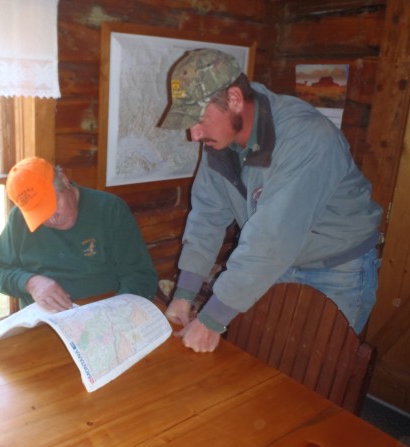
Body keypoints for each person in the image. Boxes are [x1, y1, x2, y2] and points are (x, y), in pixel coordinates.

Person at [159, 48, 382, 353]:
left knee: (317, 374)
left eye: (199, 119)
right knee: (263, 359)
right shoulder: (221, 138)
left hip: (336, 266)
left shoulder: (306, 138)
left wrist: (212, 320)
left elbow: (271, 241)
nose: (194, 134)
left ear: (235, 99)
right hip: (276, 261)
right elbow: (207, 216)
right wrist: (184, 294)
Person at [0, 156, 158, 311]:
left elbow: (140, 275)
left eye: (52, 206)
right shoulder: (19, 219)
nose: (52, 220)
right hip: (43, 322)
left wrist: (116, 312)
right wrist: (30, 282)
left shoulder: (110, 209)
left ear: (64, 180)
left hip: (103, 312)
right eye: (40, 215)